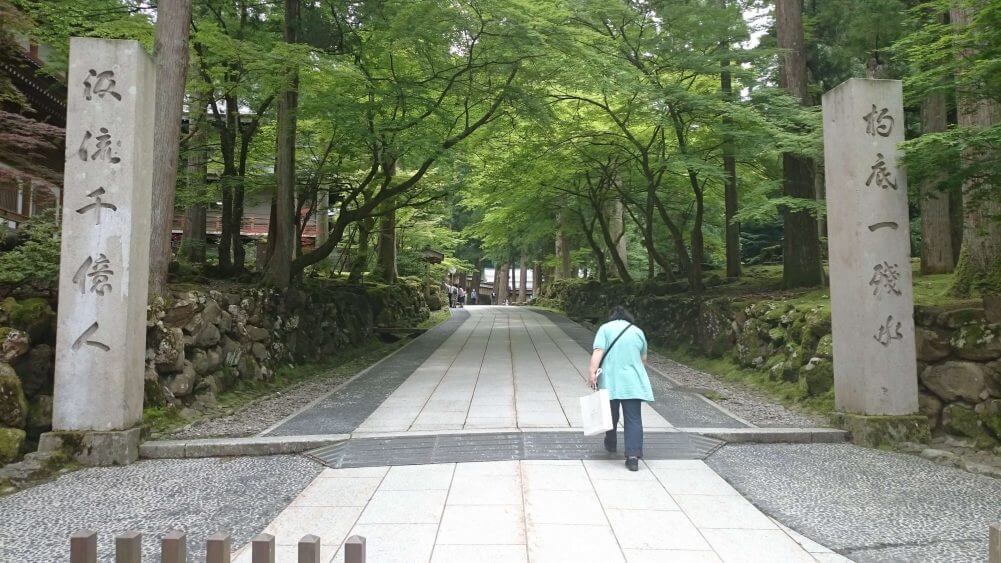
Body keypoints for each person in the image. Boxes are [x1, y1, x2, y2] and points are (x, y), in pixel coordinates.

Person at [588, 305, 653, 472]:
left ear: (612, 317)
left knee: (611, 414)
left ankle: (611, 443)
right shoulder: (637, 331)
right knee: (633, 418)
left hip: (610, 381)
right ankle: (633, 457)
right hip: (632, 382)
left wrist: (592, 373)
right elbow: (643, 359)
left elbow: (598, 352)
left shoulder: (605, 329)